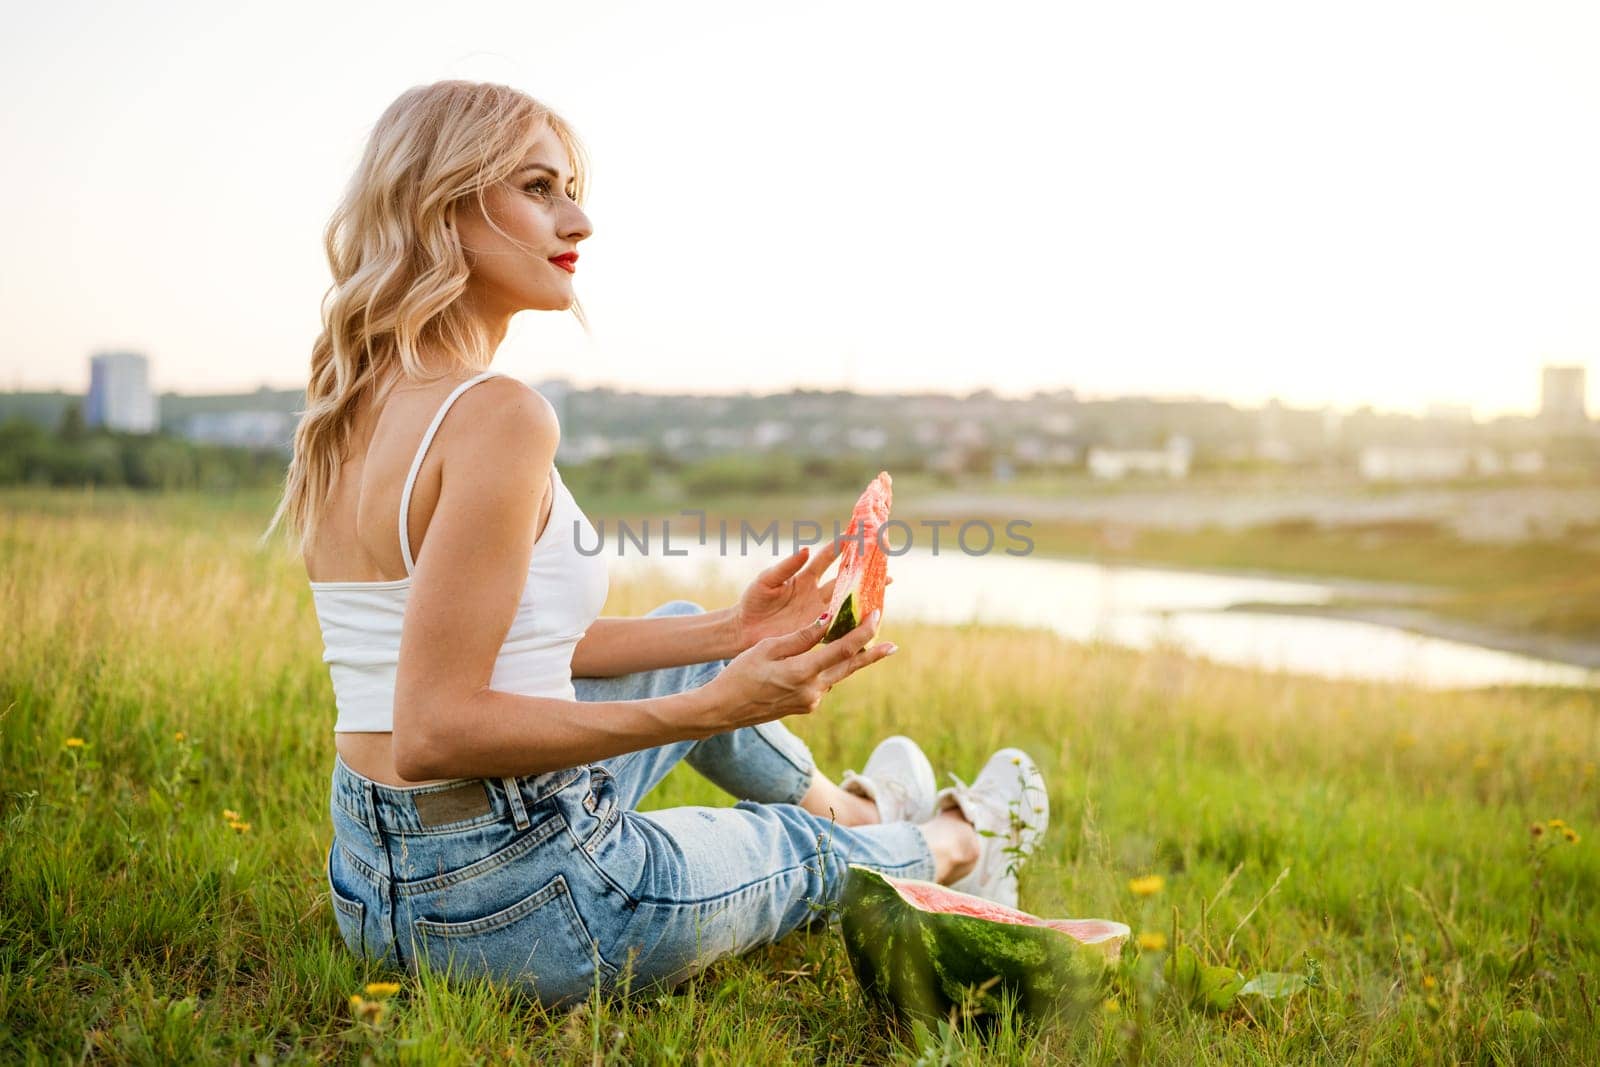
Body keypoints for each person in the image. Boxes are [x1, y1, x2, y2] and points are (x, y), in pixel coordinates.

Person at [261, 80, 1048, 1009]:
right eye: (540, 188)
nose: (579, 219)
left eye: (570, 189)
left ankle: (864, 812)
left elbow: (497, 646)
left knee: (679, 626)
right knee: (793, 853)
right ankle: (963, 846)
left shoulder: (348, 408)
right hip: (529, 902)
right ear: (448, 206)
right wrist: (711, 707)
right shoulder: (498, 418)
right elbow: (438, 729)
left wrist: (727, 632)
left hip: (373, 879)